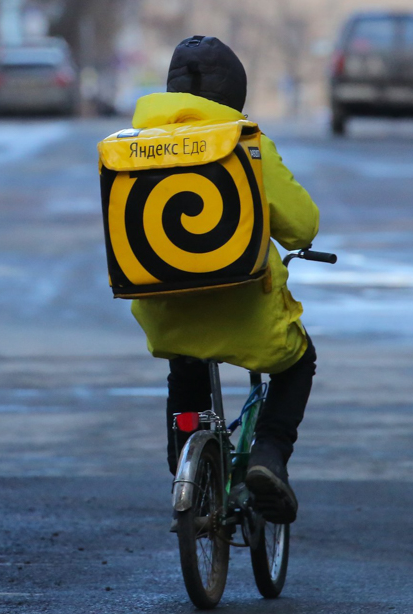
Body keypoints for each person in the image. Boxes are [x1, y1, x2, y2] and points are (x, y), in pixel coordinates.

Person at [127, 36, 319, 525]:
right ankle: (269, 456)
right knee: (299, 361)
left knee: (185, 368)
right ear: (235, 91)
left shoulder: (134, 148)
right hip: (245, 310)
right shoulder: (245, 142)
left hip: (165, 311)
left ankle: (187, 474)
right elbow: (301, 226)